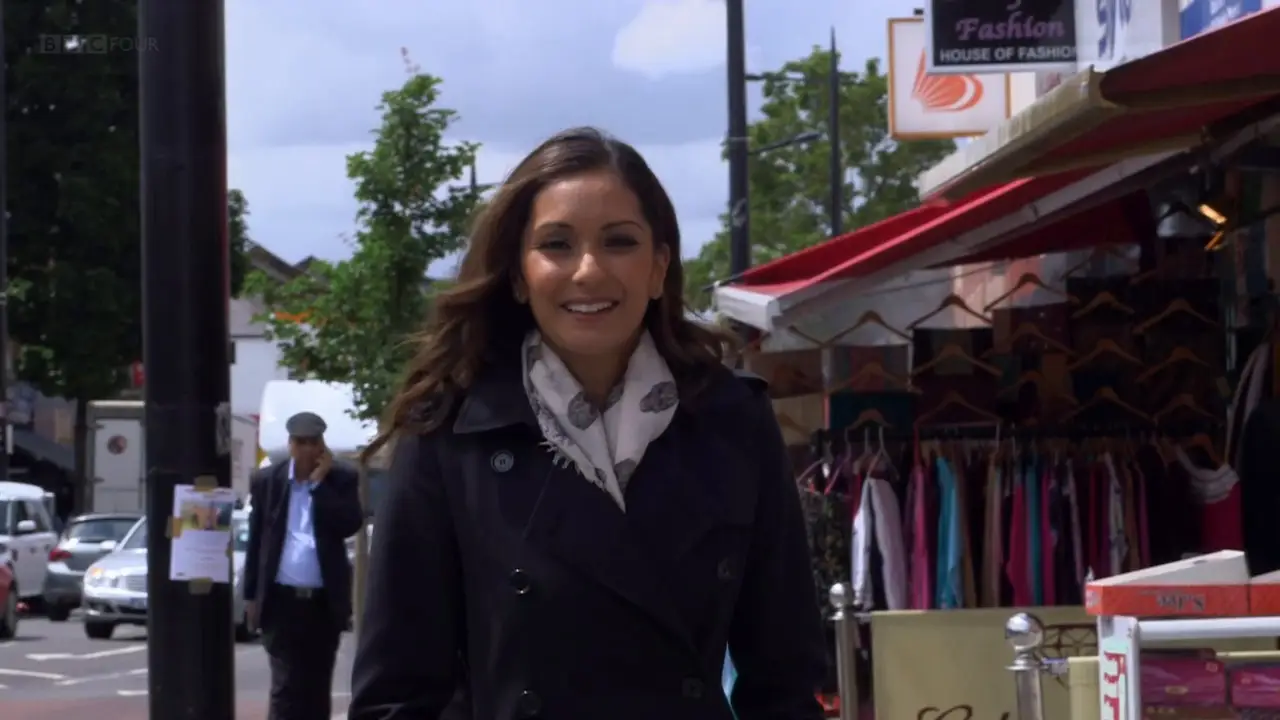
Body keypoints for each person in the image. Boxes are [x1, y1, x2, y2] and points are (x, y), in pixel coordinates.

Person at [348, 127, 826, 720]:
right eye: (557, 245)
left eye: (620, 242)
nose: (589, 271)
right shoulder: (449, 432)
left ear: (658, 268)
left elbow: (783, 678)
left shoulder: (731, 423)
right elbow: (398, 693)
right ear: (519, 276)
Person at [244, 411, 363, 719]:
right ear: (290, 444)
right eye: (300, 443)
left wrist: (318, 485)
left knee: (315, 687)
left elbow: (349, 524)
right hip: (281, 601)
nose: (307, 450)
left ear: (322, 446)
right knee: (285, 687)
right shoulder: (267, 481)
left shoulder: (342, 478)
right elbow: (257, 541)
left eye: (313, 443)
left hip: (323, 603)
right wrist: (250, 597)